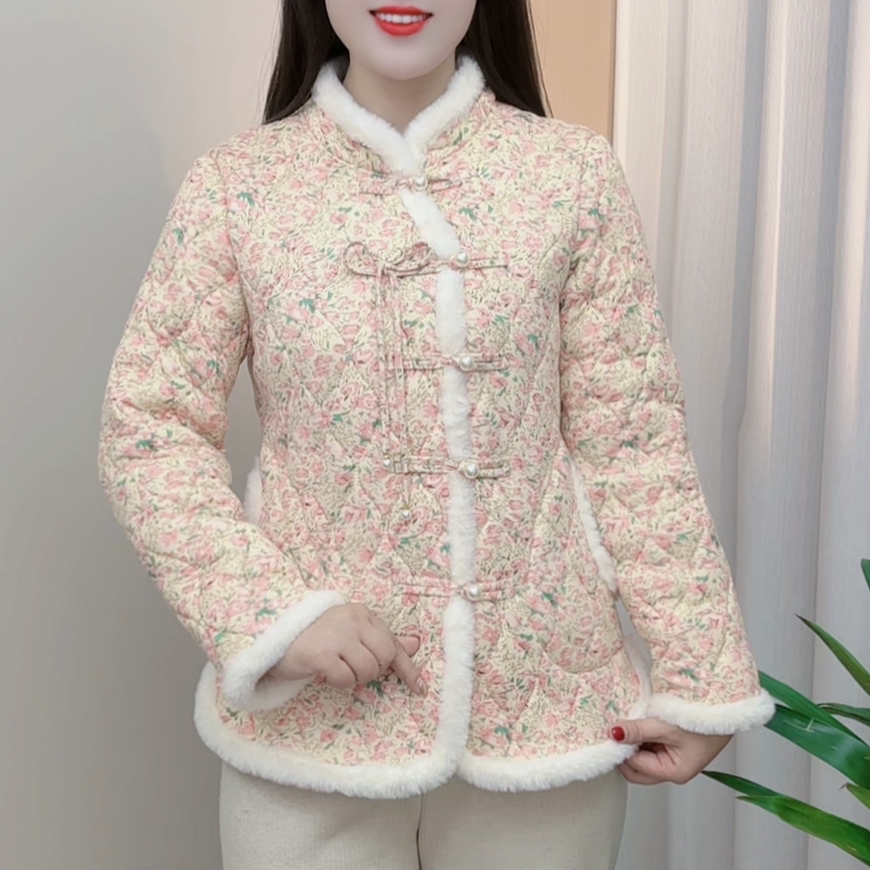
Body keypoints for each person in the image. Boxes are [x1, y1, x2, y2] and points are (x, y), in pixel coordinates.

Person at [98, 1, 775, 868]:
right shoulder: (239, 186)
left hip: (542, 719)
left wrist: (702, 676)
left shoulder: (571, 175)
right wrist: (271, 618)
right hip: (311, 735)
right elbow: (148, 428)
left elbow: (632, 439)